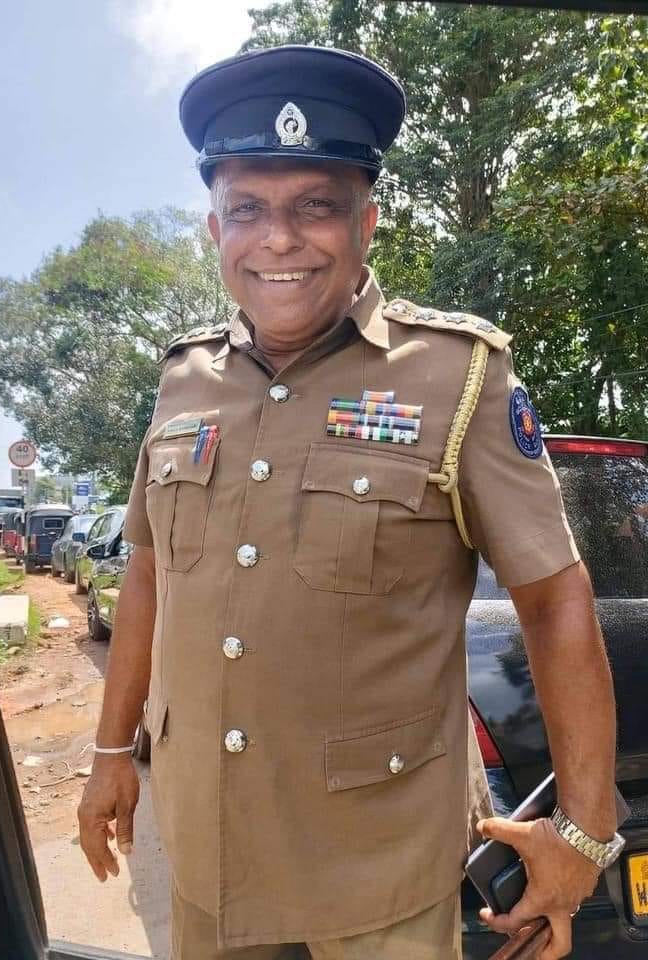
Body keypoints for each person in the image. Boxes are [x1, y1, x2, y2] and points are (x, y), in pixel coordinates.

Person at [78, 45, 620, 960]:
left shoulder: (458, 374)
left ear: (366, 222)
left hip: (381, 874)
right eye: (247, 209)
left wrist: (584, 831)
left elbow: (553, 597)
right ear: (214, 229)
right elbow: (148, 572)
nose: (278, 240)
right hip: (209, 854)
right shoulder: (184, 379)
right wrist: (107, 756)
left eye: (315, 207)